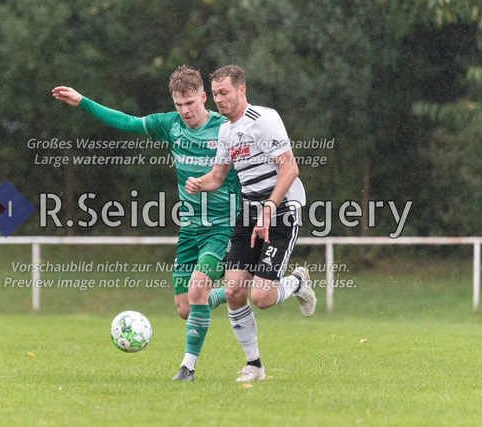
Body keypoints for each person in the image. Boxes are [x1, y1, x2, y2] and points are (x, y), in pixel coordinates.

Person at [52, 66, 240, 381]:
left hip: (223, 228)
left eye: (190, 103)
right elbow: (126, 122)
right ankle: (237, 288)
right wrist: (83, 101)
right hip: (190, 230)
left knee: (197, 289)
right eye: (179, 104)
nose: (185, 111)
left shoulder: (227, 129)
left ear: (203, 98)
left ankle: (187, 368)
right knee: (186, 308)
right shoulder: (170, 124)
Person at [185, 65, 316, 382]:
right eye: (215, 94)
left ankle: (297, 282)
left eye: (224, 92)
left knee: (262, 297)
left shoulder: (264, 120)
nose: (219, 99)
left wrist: (270, 207)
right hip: (248, 213)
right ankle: (254, 366)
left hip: (280, 211)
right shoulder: (225, 131)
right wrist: (199, 183)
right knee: (233, 291)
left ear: (241, 90)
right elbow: (218, 177)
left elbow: (290, 169)